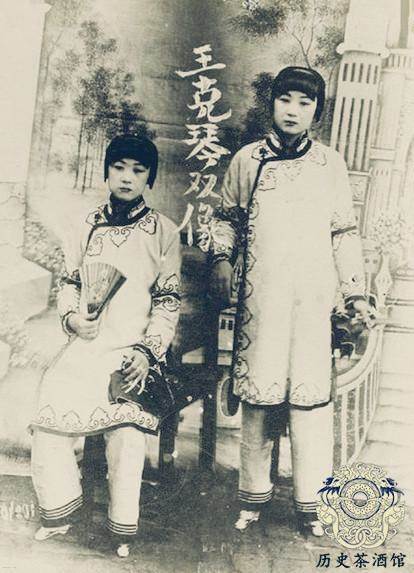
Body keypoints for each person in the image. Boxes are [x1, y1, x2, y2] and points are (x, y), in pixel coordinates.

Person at [208, 66, 372, 536]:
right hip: (261, 303)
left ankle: (310, 506)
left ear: (316, 111)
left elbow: (344, 233)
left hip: (312, 304)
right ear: (272, 104)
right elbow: (226, 219)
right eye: (285, 100)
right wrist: (221, 258)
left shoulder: (330, 165)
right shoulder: (248, 160)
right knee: (259, 402)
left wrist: (354, 291)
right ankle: (252, 499)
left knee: (309, 404)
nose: (293, 111)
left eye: (304, 102)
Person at [30, 134, 181, 557]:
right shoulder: (85, 225)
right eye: (119, 167)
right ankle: (60, 511)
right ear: (107, 171)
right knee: (48, 414)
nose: (127, 177)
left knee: (127, 430)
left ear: (150, 177)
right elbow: (69, 284)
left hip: (131, 353)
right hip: (85, 345)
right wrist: (73, 319)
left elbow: (168, 302)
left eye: (138, 170)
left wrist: (147, 352)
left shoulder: (164, 232)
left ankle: (122, 528)